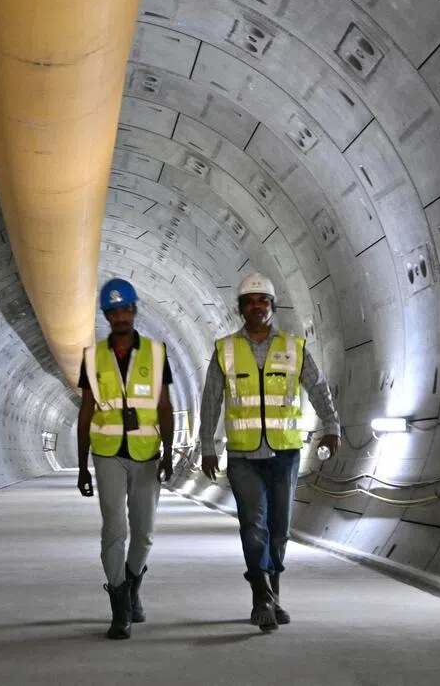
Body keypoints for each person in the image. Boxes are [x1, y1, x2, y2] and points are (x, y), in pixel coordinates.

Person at [200, 272, 340, 633]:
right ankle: (262, 595)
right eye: (250, 301)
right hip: (244, 456)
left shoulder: (294, 347)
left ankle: (272, 596)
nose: (257, 306)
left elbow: (318, 387)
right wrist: (208, 447)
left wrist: (332, 427)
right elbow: (211, 401)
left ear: (272, 307)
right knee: (254, 527)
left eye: (263, 300)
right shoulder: (225, 350)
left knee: (279, 531)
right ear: (241, 309)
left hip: (284, 454)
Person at [77, 277, 174, 639]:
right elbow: (85, 413)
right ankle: (120, 607)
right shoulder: (92, 358)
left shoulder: (156, 352)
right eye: (113, 310)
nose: (120, 315)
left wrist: (167, 453)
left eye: (125, 309)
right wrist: (82, 465)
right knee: (114, 530)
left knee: (145, 533)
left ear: (134, 311)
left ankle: (133, 587)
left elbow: (165, 406)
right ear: (106, 315)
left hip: (146, 453)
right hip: (106, 454)